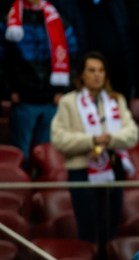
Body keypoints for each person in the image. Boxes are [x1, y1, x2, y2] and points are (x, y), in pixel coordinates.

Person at [51, 52, 138, 247]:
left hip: (113, 168)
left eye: (101, 71)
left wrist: (109, 139)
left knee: (111, 226)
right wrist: (91, 140)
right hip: (81, 170)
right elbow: (59, 139)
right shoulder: (68, 102)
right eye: (91, 70)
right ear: (82, 74)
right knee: (88, 227)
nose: (97, 75)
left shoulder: (116, 100)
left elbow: (132, 133)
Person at [1, 0, 78, 160]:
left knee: (48, 154)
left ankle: (46, 185)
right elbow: (2, 59)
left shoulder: (58, 19)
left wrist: (63, 90)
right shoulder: (9, 20)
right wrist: (9, 90)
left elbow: (73, 57)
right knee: (21, 155)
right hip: (23, 100)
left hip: (52, 100)